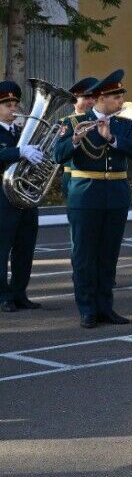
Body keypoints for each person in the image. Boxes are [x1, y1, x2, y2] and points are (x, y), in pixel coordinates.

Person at [54, 70, 132, 328]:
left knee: (108, 255)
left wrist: (112, 139)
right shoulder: (73, 123)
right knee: (84, 255)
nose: (121, 101)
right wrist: (74, 140)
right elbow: (57, 155)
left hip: (115, 194)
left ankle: (106, 307)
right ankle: (87, 309)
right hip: (85, 195)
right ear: (101, 98)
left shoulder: (124, 125)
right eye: (117, 96)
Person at [0, 82, 44, 313]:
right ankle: (3, 295)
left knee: (25, 249)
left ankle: (19, 293)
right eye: (8, 104)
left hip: (25, 199)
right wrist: (20, 151)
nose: (13, 108)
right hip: (2, 200)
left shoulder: (22, 132)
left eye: (16, 103)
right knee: (2, 250)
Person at [59, 77, 98, 200]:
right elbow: (58, 154)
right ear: (74, 101)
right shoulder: (65, 122)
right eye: (86, 98)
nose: (91, 102)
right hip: (74, 178)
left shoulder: (102, 122)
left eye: (93, 98)